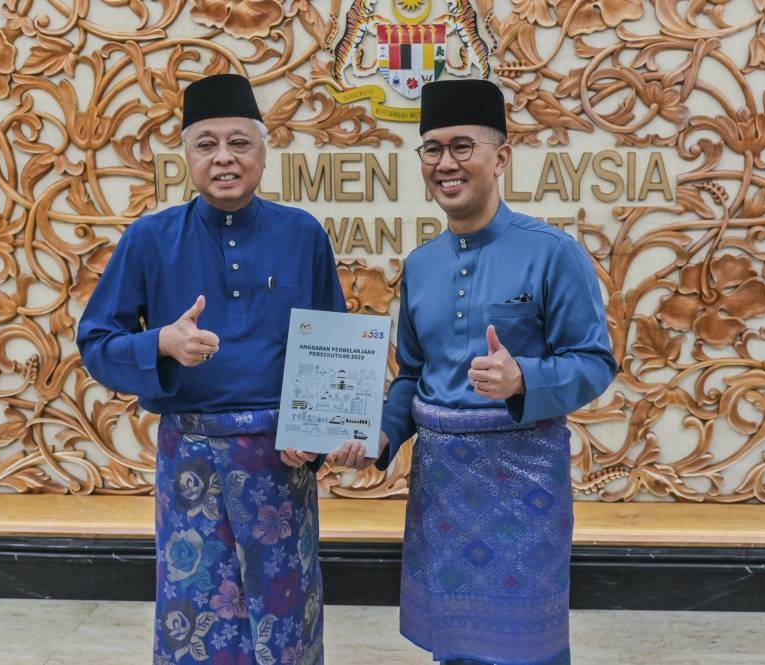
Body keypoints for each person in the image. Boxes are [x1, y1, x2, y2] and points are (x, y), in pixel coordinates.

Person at [329, 79, 616, 665]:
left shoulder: (552, 252)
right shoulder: (421, 263)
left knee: (525, 644)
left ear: (501, 157)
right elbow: (412, 373)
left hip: (524, 476)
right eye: (431, 149)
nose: (445, 163)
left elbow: (594, 361)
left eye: (463, 146)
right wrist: (382, 434)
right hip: (442, 483)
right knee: (457, 643)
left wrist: (523, 380)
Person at [78, 73, 347, 665]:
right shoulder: (149, 239)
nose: (224, 157)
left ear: (263, 149)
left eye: (239, 142)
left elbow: (333, 351)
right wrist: (161, 346)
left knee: (286, 622)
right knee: (198, 617)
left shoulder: (302, 233)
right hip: (192, 463)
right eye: (207, 144)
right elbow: (96, 342)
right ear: (187, 154)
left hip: (281, 462)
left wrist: (318, 437)